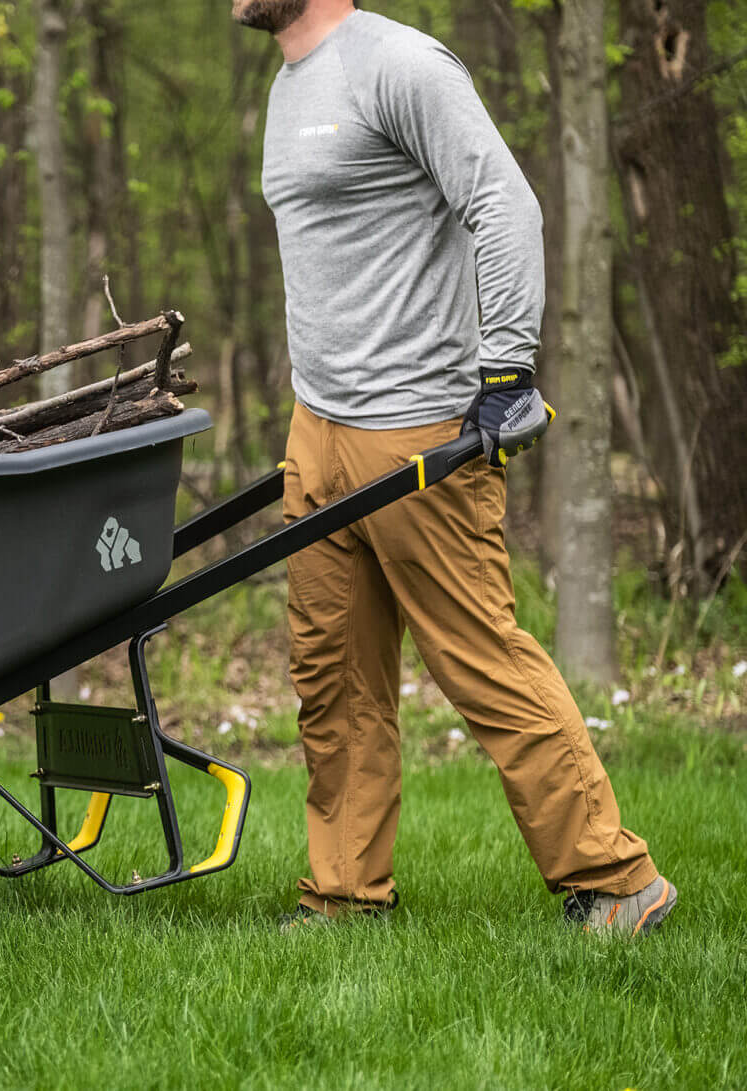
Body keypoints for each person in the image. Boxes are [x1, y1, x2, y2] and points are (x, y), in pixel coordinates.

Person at [230, 0, 676, 937]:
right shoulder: (289, 82)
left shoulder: (400, 64)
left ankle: (616, 877)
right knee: (333, 674)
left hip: (419, 431)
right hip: (319, 429)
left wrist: (509, 369)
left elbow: (505, 203)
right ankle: (345, 894)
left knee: (482, 661)